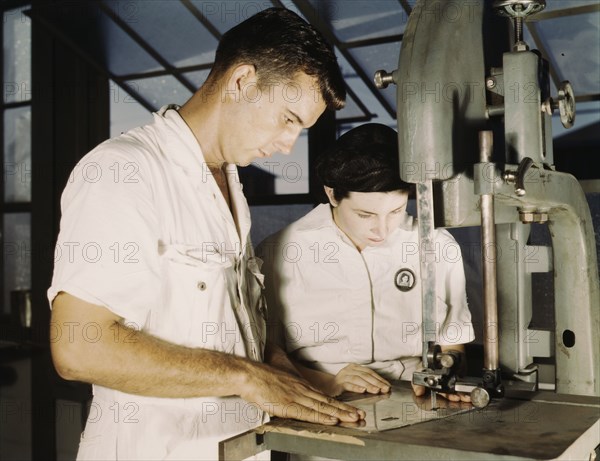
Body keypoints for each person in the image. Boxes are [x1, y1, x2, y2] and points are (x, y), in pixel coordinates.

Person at [48, 8, 366, 461]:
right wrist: (248, 377)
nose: (287, 145)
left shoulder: (228, 183)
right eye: (288, 119)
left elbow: (234, 329)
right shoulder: (124, 170)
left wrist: (292, 377)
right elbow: (79, 346)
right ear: (241, 81)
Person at [256, 123, 474, 408]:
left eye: (396, 211)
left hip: (417, 396)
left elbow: (454, 343)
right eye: (365, 214)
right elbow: (264, 352)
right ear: (332, 195)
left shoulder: (437, 245)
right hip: (316, 395)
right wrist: (327, 382)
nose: (382, 230)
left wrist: (445, 373)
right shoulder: (281, 251)